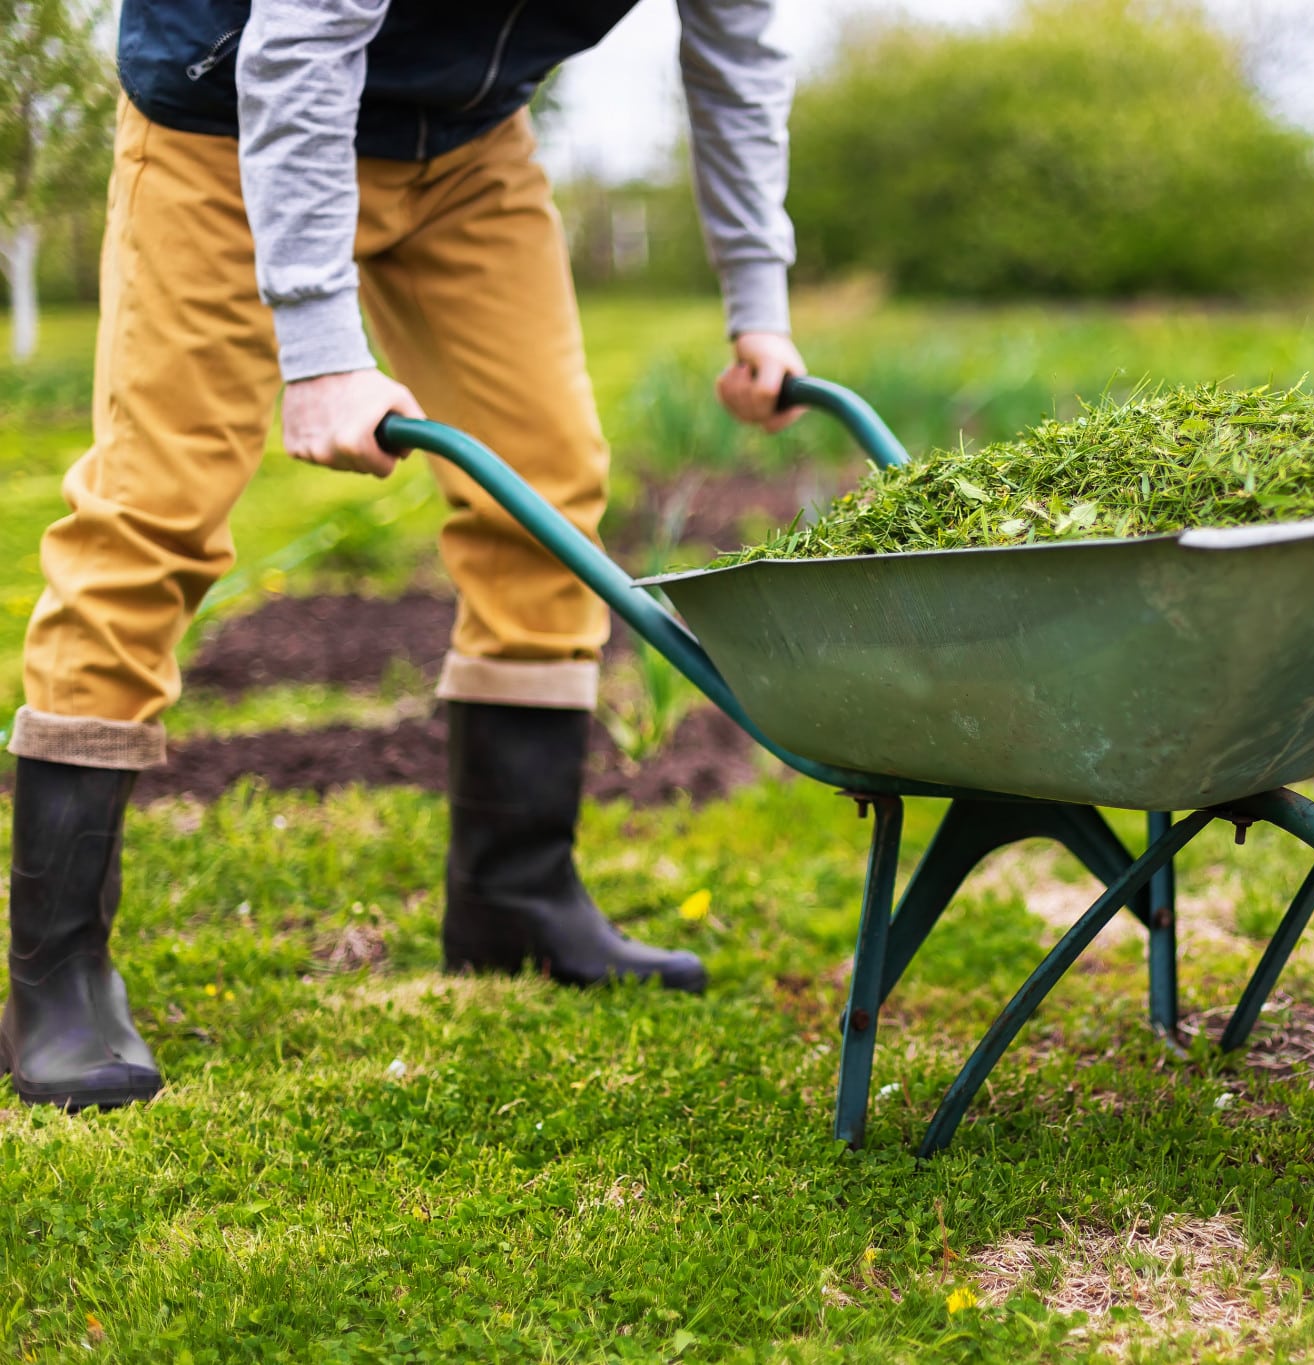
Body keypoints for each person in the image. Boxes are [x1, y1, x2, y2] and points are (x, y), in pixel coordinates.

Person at [4, 0, 806, 1110]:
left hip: (467, 142)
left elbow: (737, 58)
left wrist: (757, 302)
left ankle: (512, 895)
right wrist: (322, 342)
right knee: (152, 514)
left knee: (542, 485)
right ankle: (56, 977)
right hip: (228, 112)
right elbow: (301, 41)